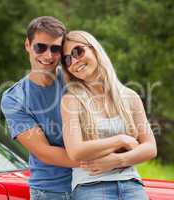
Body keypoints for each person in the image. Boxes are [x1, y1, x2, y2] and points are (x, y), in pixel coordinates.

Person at [60, 30, 157, 200]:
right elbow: (75, 151)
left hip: (131, 184)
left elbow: (150, 148)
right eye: (67, 59)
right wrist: (121, 140)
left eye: (78, 52)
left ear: (94, 49)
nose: (74, 61)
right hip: (91, 187)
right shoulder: (72, 100)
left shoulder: (130, 97)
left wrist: (118, 161)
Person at [1, 16, 77, 200]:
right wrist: (100, 161)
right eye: (40, 47)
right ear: (28, 45)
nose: (48, 55)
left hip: (91, 183)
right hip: (50, 190)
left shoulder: (76, 80)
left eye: (55, 49)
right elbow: (45, 152)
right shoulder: (14, 98)